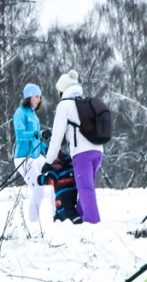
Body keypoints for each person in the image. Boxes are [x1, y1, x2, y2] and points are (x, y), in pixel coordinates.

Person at [45, 70, 103, 224]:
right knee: (87, 188)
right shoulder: (85, 103)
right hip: (98, 150)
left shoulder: (65, 105)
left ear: (63, 90)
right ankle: (79, 219)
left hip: (82, 153)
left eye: (58, 91)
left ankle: (92, 223)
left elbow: (56, 138)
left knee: (85, 190)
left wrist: (48, 161)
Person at [12, 83, 54, 223]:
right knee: (39, 190)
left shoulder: (33, 115)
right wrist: (39, 133)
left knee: (56, 177)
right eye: (36, 96)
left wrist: (45, 148)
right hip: (23, 158)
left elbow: (36, 140)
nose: (39, 100)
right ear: (29, 96)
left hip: (36, 157)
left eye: (40, 97)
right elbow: (20, 135)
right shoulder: (20, 113)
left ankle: (59, 217)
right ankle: (33, 225)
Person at [38, 150, 82, 224]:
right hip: (73, 194)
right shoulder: (71, 168)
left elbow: (48, 180)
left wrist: (40, 178)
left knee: (64, 210)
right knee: (68, 208)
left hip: (62, 197)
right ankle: (58, 219)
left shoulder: (55, 172)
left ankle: (77, 221)